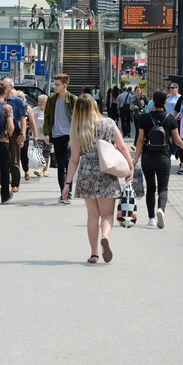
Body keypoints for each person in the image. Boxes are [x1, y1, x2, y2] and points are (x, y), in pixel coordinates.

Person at [62, 94, 133, 263]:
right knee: (107, 214)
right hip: (107, 171)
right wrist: (130, 167)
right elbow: (122, 146)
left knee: (92, 215)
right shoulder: (109, 123)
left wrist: (67, 183)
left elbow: (74, 160)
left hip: (87, 174)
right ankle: (105, 237)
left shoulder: (78, 129)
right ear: (94, 106)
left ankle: (94, 253)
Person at [132, 90, 183, 228]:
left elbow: (140, 140)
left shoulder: (145, 117)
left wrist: (135, 158)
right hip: (164, 156)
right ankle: (161, 210)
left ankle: (151, 218)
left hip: (147, 157)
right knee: (163, 188)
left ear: (153, 101)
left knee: (151, 187)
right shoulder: (169, 118)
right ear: (165, 101)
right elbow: (176, 139)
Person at [0, 78, 27, 194]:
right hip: (0, 132)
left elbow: (23, 118)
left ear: (11, 88)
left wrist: (22, 134)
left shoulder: (17, 101)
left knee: (14, 159)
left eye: (5, 85)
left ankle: (15, 184)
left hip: (14, 132)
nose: (3, 87)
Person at [43, 74, 78, 204]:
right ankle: (63, 193)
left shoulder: (73, 99)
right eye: (54, 84)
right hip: (56, 135)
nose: (54, 86)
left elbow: (78, 119)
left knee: (69, 163)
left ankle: (68, 192)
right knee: (60, 165)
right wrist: (47, 133)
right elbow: (47, 117)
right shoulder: (52, 99)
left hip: (70, 135)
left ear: (65, 86)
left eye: (57, 85)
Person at [14, 90, 38, 181]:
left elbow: (32, 122)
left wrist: (35, 135)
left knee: (23, 154)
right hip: (13, 134)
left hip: (24, 134)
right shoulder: (12, 107)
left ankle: (26, 171)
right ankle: (14, 175)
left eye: (21, 99)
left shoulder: (28, 108)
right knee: (13, 156)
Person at [32, 94, 52, 177]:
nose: (39, 103)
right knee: (38, 152)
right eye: (38, 101)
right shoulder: (34, 110)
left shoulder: (50, 111)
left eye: (41, 102)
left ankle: (45, 170)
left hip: (47, 136)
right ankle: (39, 169)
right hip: (38, 135)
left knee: (46, 154)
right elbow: (31, 122)